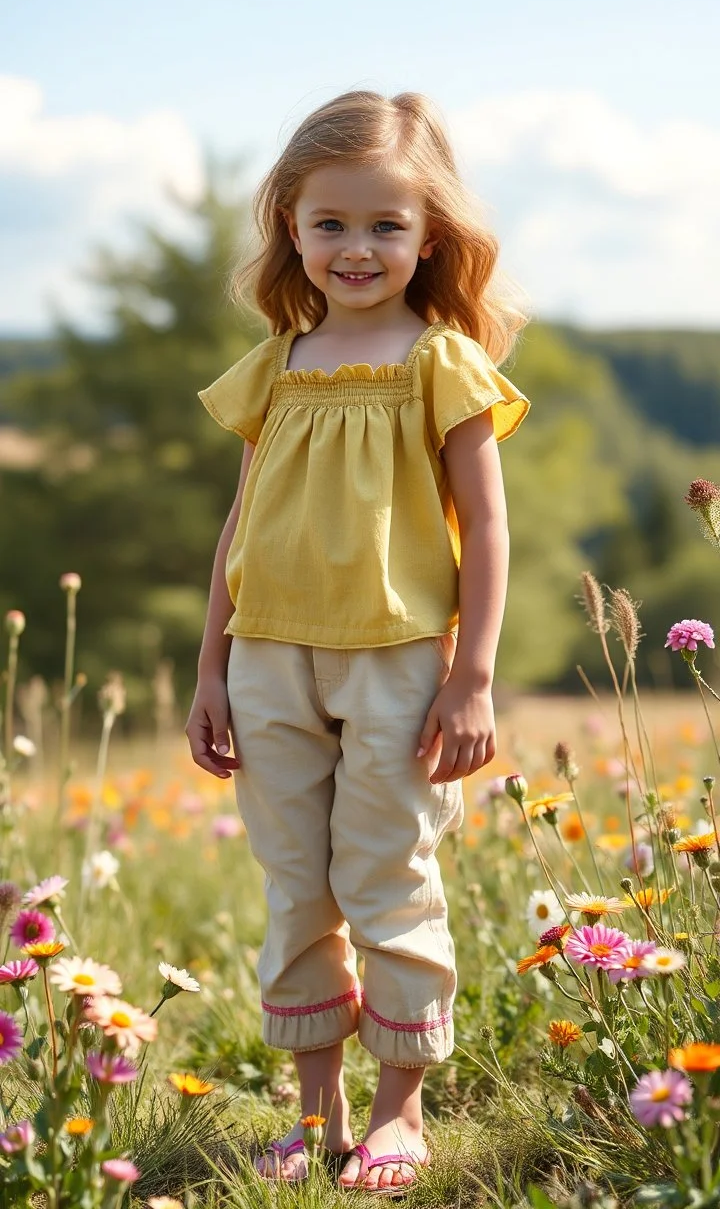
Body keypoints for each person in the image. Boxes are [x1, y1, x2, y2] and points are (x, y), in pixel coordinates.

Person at [186, 89, 530, 1196]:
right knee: (296, 884)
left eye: (386, 224)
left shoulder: (443, 361)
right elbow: (239, 525)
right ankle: (312, 1112)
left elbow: (486, 526)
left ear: (430, 233)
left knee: (387, 875)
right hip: (267, 656)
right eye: (330, 222)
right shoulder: (277, 365)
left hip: (395, 659)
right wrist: (210, 666)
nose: (357, 247)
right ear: (291, 224)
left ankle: (401, 1112)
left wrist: (470, 676)